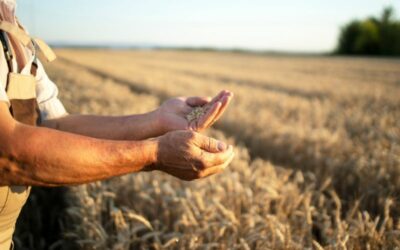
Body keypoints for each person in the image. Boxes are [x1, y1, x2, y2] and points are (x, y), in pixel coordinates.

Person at [0, 0, 235, 248]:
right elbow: (6, 151)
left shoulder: (12, 25)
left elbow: (53, 125)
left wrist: (156, 120)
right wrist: (155, 154)